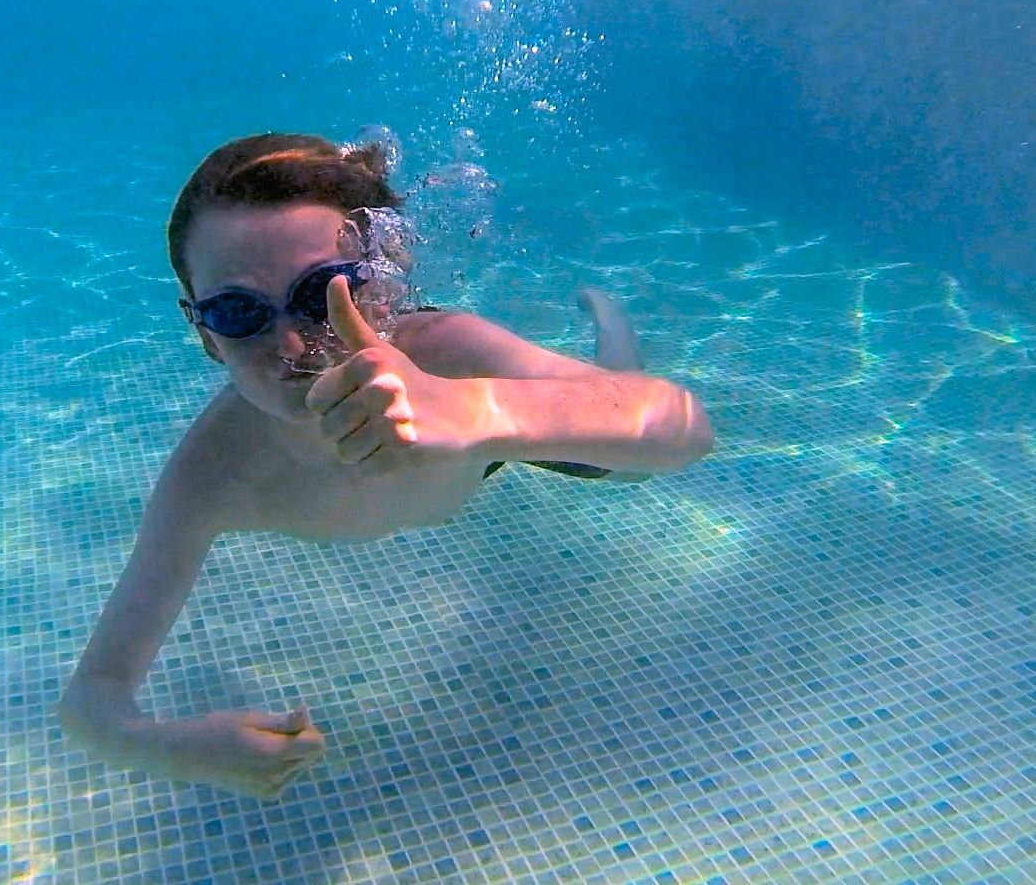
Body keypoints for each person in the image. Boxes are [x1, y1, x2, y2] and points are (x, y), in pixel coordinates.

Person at [58, 133, 714, 799]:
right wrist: (165, 747)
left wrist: (473, 409)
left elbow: (678, 424)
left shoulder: (446, 354)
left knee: (628, 457)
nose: (288, 343)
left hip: (479, 445)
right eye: (237, 312)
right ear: (203, 331)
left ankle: (610, 326)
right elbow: (93, 700)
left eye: (324, 293)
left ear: (385, 282)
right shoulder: (213, 475)